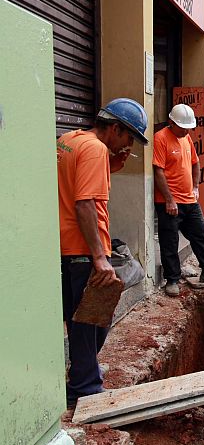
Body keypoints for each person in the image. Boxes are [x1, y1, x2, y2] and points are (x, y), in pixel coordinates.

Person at [57, 97, 148, 407]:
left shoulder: (70, 140)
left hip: (65, 245)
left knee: (80, 317)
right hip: (83, 249)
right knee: (93, 319)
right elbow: (84, 203)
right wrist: (98, 256)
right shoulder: (96, 149)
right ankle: (86, 387)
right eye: (129, 136)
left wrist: (113, 163)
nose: (129, 143)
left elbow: (72, 183)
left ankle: (83, 371)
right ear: (115, 128)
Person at [153, 104, 204, 297]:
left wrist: (196, 187)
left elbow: (196, 164)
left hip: (189, 200)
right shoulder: (161, 138)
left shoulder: (186, 138)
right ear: (171, 122)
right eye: (183, 127)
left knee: (201, 234)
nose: (187, 131)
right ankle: (172, 279)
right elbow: (158, 171)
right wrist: (169, 200)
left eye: (188, 127)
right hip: (169, 203)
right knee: (170, 241)